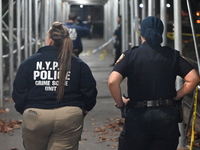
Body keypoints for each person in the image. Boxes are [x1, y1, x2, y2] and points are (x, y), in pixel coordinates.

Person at [108, 16, 200, 150]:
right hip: (166, 116)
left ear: (142, 34)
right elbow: (194, 78)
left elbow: (112, 82)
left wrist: (120, 103)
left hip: (137, 117)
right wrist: (177, 96)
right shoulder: (172, 55)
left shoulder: (131, 55)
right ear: (161, 32)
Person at [12, 22, 97, 150]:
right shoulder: (79, 64)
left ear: (50, 40)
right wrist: (82, 110)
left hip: (35, 115)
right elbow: (89, 92)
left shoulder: (29, 63)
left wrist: (25, 110)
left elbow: (19, 92)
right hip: (69, 115)